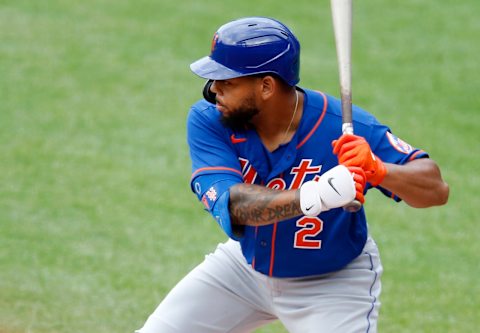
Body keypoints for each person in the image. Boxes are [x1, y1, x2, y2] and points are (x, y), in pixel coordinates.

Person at [135, 17, 449, 333]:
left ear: (266, 86)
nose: (212, 90)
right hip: (245, 270)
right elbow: (236, 206)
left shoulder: (340, 124)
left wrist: (380, 170)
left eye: (226, 82)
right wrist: (318, 194)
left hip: (333, 283)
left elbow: (435, 189)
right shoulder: (210, 120)